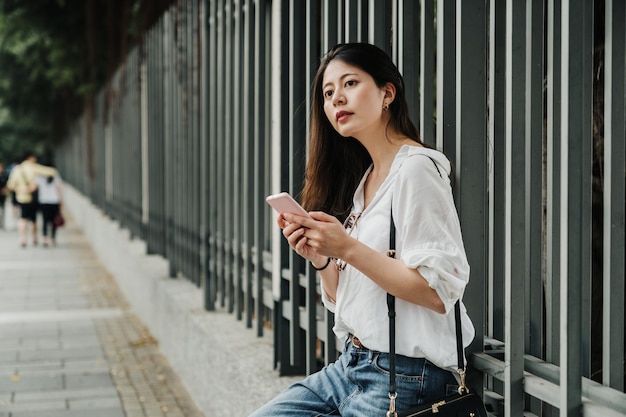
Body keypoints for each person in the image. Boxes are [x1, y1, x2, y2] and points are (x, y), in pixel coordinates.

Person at [251, 43, 475, 416]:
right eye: (327, 92)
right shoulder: (366, 181)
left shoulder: (417, 170)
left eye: (350, 83)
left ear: (387, 93)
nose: (337, 97)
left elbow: (438, 292)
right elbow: (356, 301)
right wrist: (323, 259)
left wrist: (348, 249)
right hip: (351, 366)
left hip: (406, 379)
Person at [6, 152, 58, 247]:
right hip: (33, 197)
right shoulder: (33, 167)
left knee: (23, 219)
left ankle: (23, 239)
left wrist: (20, 189)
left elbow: (10, 185)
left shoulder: (17, 169)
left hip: (22, 198)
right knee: (33, 219)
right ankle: (34, 238)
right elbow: (51, 171)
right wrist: (31, 187)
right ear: (30, 158)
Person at [36, 173, 63, 246]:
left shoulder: (40, 177)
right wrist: (60, 201)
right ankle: (52, 238)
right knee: (54, 220)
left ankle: (44, 238)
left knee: (45, 220)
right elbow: (58, 189)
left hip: (44, 201)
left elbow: (35, 187)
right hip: (54, 201)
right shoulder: (56, 176)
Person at [0, 163, 8, 229]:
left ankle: (2, 223)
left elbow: (8, 184)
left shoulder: (5, 175)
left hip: (2, 195)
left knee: (3, 210)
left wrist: (5, 189)